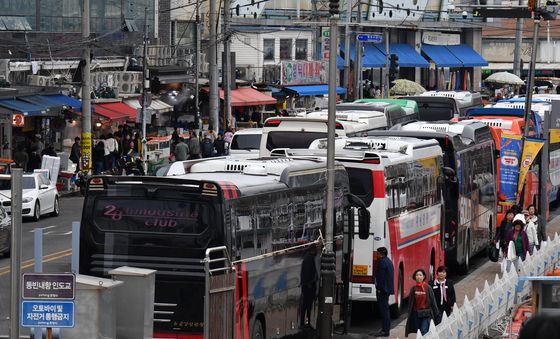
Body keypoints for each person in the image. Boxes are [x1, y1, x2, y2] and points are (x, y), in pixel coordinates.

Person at [405, 269, 439, 336]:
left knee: (424, 331)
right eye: (417, 275)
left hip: (426, 314)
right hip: (416, 314)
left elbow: (433, 301)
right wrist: (409, 314)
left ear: (423, 277)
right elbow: (410, 303)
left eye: (420, 275)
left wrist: (436, 313)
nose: (418, 277)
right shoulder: (413, 289)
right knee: (419, 332)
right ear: (415, 277)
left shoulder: (428, 288)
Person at [374, 247, 394, 337]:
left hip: (383, 290)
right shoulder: (389, 261)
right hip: (387, 289)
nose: (376, 255)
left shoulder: (382, 262)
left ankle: (385, 331)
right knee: (385, 310)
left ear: (381, 253)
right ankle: (385, 329)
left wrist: (378, 287)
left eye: (377, 253)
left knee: (384, 311)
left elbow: (381, 277)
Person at [299, 245, 318, 328]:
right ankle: (306, 322)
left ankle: (305, 322)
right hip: (308, 286)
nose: (317, 252)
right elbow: (308, 273)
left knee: (306, 305)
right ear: (312, 250)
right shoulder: (309, 259)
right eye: (315, 250)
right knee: (307, 305)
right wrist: (309, 283)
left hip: (306, 286)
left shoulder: (307, 258)